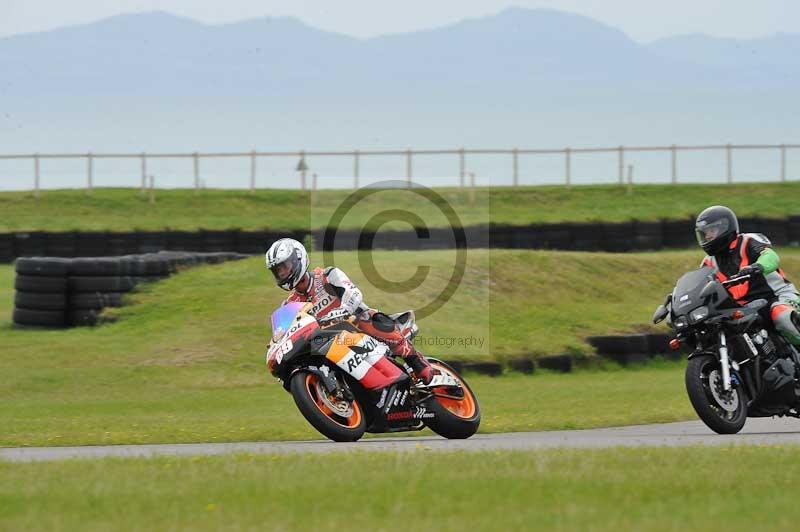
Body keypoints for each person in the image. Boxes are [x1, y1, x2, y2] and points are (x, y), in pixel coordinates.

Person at [265, 238, 437, 384]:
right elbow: (285, 332)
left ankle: (420, 365)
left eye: (284, 267)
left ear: (298, 259)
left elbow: (353, 293)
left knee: (363, 319)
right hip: (329, 344)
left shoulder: (327, 276)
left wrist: (343, 310)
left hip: (356, 325)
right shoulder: (289, 305)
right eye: (277, 271)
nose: (282, 273)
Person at [695, 205, 800, 346]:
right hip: (743, 309)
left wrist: (757, 266)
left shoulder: (748, 240)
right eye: (704, 233)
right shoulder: (708, 262)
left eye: (712, 231)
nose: (707, 237)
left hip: (777, 297)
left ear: (725, 228)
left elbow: (770, 256)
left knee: (781, 315)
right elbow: (699, 287)